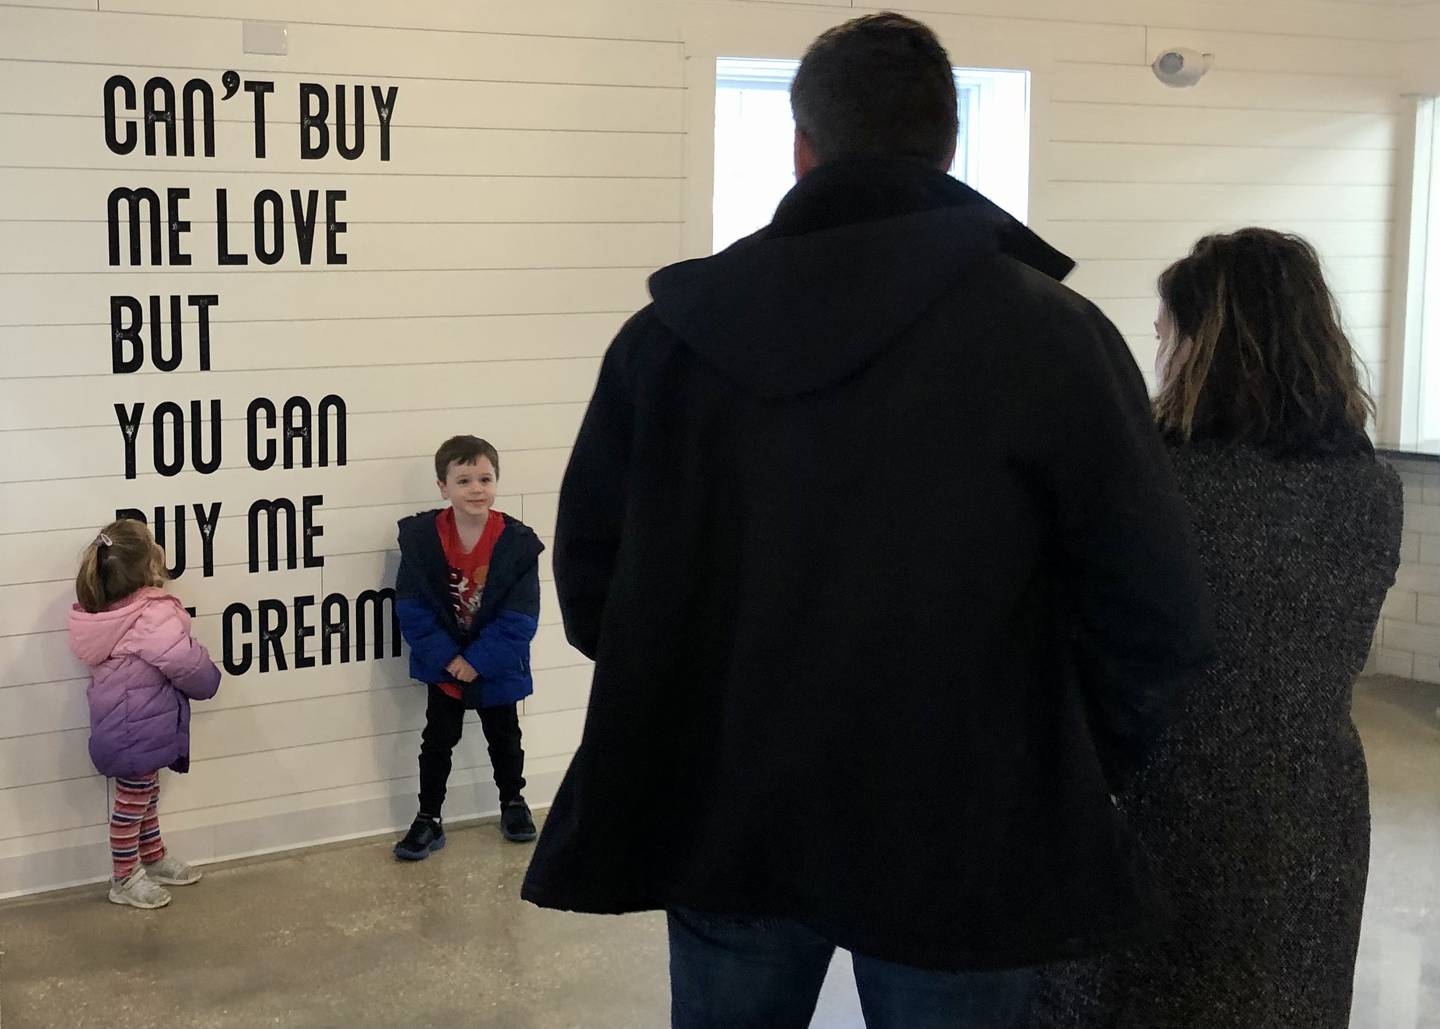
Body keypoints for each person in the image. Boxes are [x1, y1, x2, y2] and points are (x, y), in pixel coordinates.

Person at [522, 12, 1214, 1028]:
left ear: (802, 148)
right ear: (951, 148)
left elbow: (594, 590)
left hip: (727, 814)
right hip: (970, 825)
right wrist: (1060, 760)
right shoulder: (1050, 337)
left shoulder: (666, 342)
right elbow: (1152, 610)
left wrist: (710, 706)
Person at [1034, 229, 1404, 1029]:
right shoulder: (1373, 489)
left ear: (1204, 342)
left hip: (1155, 800)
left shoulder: (1152, 483)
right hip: (1307, 809)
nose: (1158, 348)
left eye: (1166, 329)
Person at [393, 435, 544, 859]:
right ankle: (428, 817)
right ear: (443, 487)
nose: (476, 488)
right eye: (463, 480)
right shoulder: (422, 541)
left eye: (485, 478)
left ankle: (513, 802)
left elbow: (520, 616)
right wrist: (450, 660)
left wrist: (477, 661)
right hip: (444, 665)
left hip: (495, 665)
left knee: (506, 737)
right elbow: (412, 607)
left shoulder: (517, 543)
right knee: (437, 740)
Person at [67, 518, 221, 909]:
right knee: (132, 803)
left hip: (126, 724)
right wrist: (210, 677)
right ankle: (124, 877)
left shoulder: (106, 614)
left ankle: (152, 856)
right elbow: (186, 663)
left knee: (144, 794)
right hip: (134, 728)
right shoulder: (151, 616)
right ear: (148, 567)